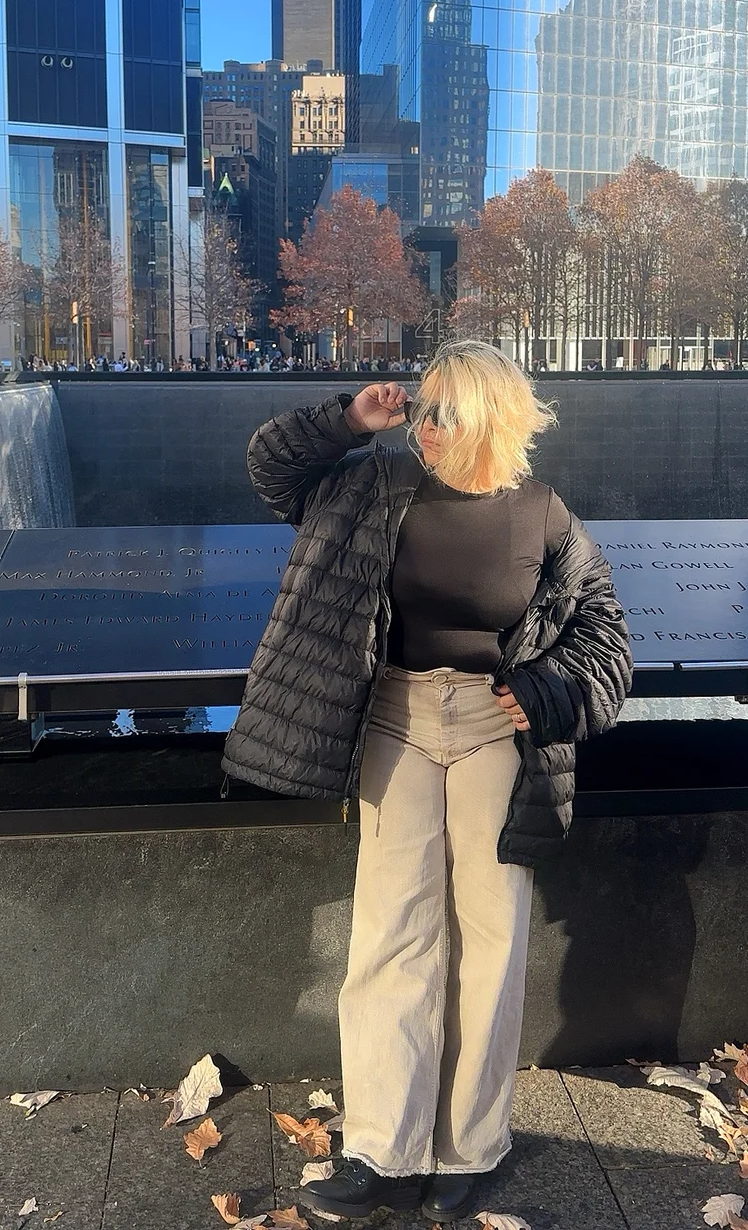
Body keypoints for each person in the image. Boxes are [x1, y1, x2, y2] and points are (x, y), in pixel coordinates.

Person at [221, 338, 632, 1223]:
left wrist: (550, 690)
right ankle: (383, 1148)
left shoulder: (541, 513)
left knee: (491, 938)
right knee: (391, 931)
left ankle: (469, 1145)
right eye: (424, 405)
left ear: (488, 419)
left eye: (447, 412)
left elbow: (605, 633)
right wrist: (348, 420)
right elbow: (270, 467)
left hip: (494, 729)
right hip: (395, 719)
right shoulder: (371, 485)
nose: (427, 424)